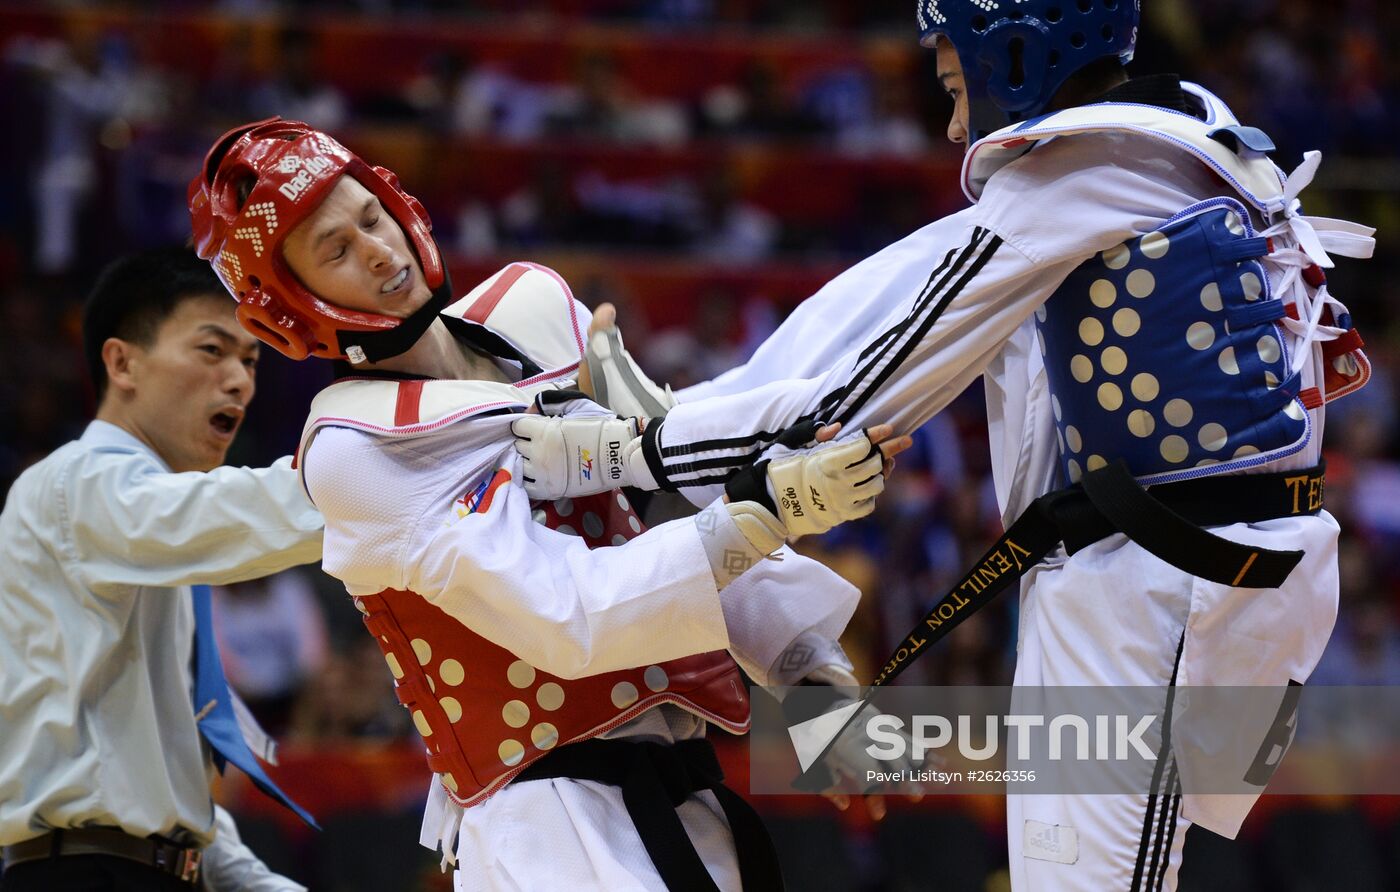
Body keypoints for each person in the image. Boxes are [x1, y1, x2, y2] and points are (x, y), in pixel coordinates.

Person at [510, 2, 1378, 888]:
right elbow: (931, 292)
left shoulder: (1084, 168)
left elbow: (856, 402)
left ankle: (676, 420)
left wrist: (629, 453)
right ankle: (692, 414)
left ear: (1017, 53)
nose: (957, 127)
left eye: (957, 90)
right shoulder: (1189, 128)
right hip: (1221, 575)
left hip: (1163, 596)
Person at [188, 118, 913, 891]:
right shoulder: (352, 450)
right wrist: (767, 510)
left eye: (370, 216)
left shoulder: (533, 307)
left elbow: (668, 503)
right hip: (543, 823)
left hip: (686, 783)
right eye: (335, 251)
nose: (376, 250)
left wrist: (811, 678)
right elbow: (568, 617)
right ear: (294, 305)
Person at [0, 247, 324, 891]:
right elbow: (241, 508)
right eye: (212, 350)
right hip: (80, 874)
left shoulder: (154, 542)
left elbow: (162, 807)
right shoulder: (74, 485)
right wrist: (389, 466)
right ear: (122, 362)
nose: (240, 380)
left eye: (251, 360)